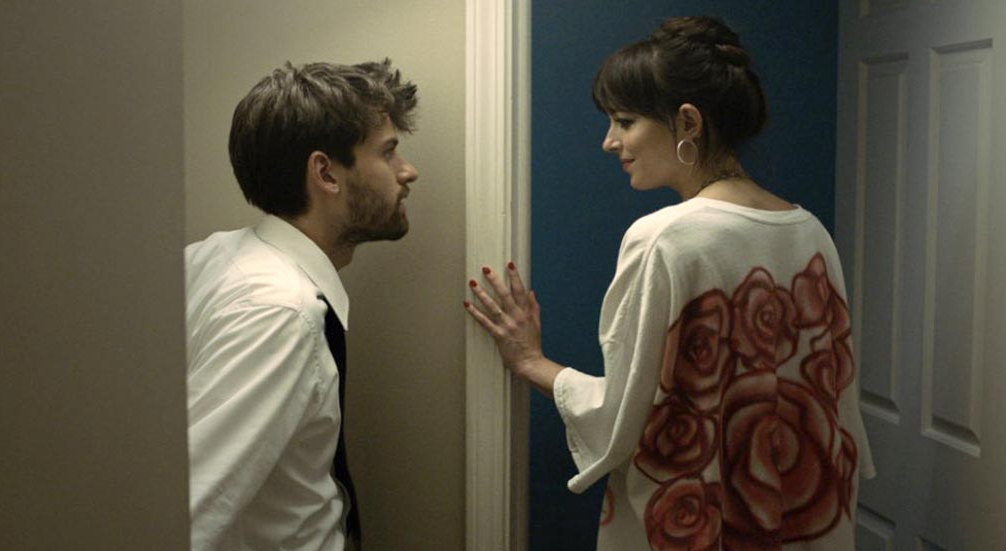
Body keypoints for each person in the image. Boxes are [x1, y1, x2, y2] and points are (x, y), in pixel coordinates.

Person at [465, 16, 875, 551]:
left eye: (624, 121)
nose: (609, 142)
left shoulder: (666, 238)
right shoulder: (811, 233)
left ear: (687, 121)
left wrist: (529, 362)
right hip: (804, 519)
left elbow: (622, 417)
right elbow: (836, 411)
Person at [185, 59, 419, 551]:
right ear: (326, 173)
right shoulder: (280, 314)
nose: (407, 171)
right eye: (388, 152)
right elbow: (189, 510)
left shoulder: (214, 256)